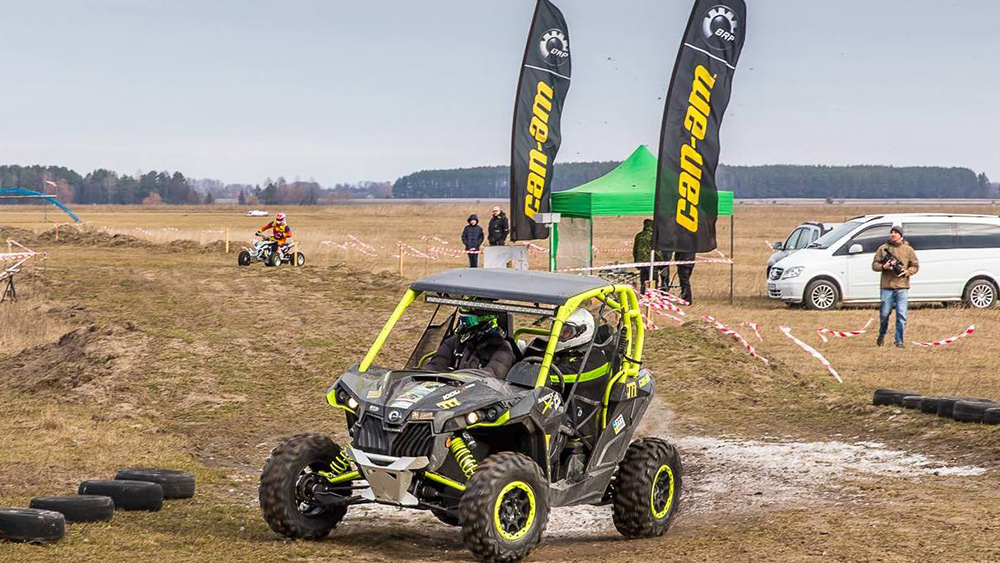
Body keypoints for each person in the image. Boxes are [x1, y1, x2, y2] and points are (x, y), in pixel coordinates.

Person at [423, 309, 515, 379]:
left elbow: (490, 377)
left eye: (468, 321)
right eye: (462, 320)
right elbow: (436, 365)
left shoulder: (503, 349)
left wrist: (452, 376)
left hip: (481, 395)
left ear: (486, 323)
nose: (463, 325)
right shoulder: (454, 341)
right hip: (449, 390)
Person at [872, 225, 919, 347]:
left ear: (901, 235)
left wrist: (906, 272)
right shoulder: (883, 248)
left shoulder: (908, 250)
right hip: (887, 286)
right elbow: (874, 265)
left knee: (901, 315)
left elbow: (915, 266)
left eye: (895, 232)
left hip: (902, 287)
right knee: (884, 314)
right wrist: (884, 267)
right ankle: (882, 335)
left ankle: (899, 341)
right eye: (891, 232)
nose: (892, 234)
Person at [632, 219, 664, 292]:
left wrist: (636, 262)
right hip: (651, 262)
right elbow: (657, 251)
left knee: (643, 281)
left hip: (641, 263)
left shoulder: (639, 236)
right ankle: (653, 294)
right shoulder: (653, 236)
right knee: (653, 281)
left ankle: (643, 294)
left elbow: (635, 250)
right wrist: (661, 262)